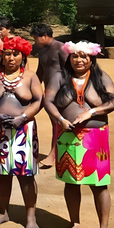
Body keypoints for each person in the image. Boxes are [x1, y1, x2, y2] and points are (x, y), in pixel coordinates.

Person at [43, 41, 114, 228]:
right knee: (71, 182)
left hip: (96, 138)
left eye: (84, 56)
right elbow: (48, 101)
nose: (79, 59)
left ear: (91, 59)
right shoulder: (60, 77)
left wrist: (91, 111)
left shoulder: (100, 77)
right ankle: (75, 224)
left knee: (99, 185)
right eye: (75, 56)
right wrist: (60, 119)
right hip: (67, 136)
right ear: (69, 58)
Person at [0, 35, 42, 228]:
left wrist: (23, 117)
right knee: (3, 174)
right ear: (2, 56)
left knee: (26, 175)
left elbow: (38, 100)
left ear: (22, 57)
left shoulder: (31, 76)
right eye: (7, 54)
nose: (11, 58)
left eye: (15, 54)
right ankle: (3, 212)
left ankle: (31, 216)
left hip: (24, 131)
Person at [30, 23, 66, 169]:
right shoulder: (42, 51)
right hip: (48, 93)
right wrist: (32, 88)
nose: (34, 42)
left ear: (44, 36)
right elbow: (40, 72)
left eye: (35, 38)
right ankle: (56, 153)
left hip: (62, 92)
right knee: (55, 123)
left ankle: (53, 154)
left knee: (58, 122)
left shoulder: (61, 48)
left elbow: (69, 69)